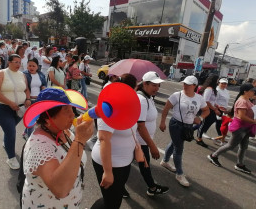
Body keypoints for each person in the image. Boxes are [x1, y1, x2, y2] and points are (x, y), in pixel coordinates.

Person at [21, 88, 93, 208]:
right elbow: (60, 189)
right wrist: (80, 140)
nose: (72, 114)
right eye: (66, 110)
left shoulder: (65, 131)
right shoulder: (38, 146)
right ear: (48, 118)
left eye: (71, 108)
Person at [91, 74, 138, 209]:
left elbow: (132, 130)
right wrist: (108, 172)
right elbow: (104, 138)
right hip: (109, 164)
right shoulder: (110, 105)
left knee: (112, 200)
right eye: (136, 88)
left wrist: (137, 149)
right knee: (112, 203)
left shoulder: (129, 105)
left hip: (124, 162)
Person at [159, 76, 209, 187]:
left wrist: (200, 118)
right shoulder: (177, 95)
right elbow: (166, 108)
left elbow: (206, 110)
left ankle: (165, 161)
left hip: (188, 126)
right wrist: (162, 122)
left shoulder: (199, 98)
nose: (185, 85)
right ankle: (179, 173)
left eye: (188, 84)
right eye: (184, 83)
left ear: (195, 86)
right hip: (176, 124)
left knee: (174, 143)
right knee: (179, 148)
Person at [207, 83, 256, 174]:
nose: (253, 92)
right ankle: (213, 156)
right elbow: (241, 116)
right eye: (252, 90)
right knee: (231, 145)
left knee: (243, 147)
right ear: (245, 91)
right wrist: (253, 121)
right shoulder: (242, 101)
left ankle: (240, 164)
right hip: (240, 128)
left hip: (246, 127)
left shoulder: (248, 100)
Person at [0, 54, 31, 169]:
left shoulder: (22, 75)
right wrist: (10, 103)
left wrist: (27, 99)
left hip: (19, 109)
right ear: (9, 62)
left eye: (20, 62)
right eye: (16, 62)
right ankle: (11, 158)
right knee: (11, 131)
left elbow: (26, 89)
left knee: (9, 131)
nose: (18, 64)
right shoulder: (1, 73)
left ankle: (6, 142)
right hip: (3, 109)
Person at [136, 72, 169, 196]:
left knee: (141, 165)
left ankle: (152, 187)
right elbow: (140, 126)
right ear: (145, 84)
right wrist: (152, 146)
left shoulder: (148, 97)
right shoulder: (142, 100)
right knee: (143, 164)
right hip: (139, 141)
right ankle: (152, 188)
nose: (157, 88)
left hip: (142, 141)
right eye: (154, 85)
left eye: (158, 85)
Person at [22, 58, 47, 140]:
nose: (31, 67)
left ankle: (25, 131)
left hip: (39, 100)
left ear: (37, 67)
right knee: (31, 120)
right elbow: (24, 88)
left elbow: (44, 85)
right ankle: (30, 139)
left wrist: (44, 88)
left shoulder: (41, 74)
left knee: (33, 119)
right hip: (29, 100)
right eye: (29, 65)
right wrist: (27, 99)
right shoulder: (24, 74)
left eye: (33, 66)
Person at [195, 75, 220, 148]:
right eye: (217, 79)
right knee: (204, 123)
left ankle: (193, 130)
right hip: (207, 109)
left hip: (211, 109)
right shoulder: (209, 89)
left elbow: (212, 101)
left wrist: (217, 106)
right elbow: (206, 100)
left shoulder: (213, 89)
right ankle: (199, 139)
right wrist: (214, 109)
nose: (218, 81)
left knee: (210, 121)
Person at [213, 78, 230, 145]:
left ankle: (221, 136)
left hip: (224, 109)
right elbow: (214, 100)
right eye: (222, 83)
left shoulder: (226, 91)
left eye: (225, 83)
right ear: (218, 83)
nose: (223, 85)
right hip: (218, 108)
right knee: (218, 122)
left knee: (221, 123)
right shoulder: (217, 90)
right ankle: (220, 136)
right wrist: (217, 108)